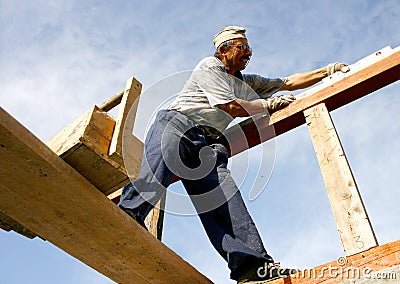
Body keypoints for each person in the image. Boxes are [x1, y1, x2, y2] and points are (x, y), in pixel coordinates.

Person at [118, 26, 350, 283]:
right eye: (242, 47)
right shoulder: (210, 67)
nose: (248, 53)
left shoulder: (246, 83)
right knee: (158, 164)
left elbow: (287, 82)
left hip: (206, 143)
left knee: (223, 197)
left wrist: (328, 70)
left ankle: (250, 266)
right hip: (177, 124)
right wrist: (268, 105)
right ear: (223, 50)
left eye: (249, 48)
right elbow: (229, 106)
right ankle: (128, 213)